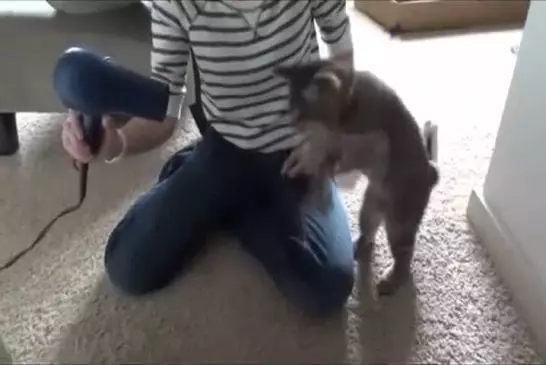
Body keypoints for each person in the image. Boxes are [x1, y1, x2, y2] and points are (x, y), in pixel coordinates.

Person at [61, 0, 355, 317]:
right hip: (226, 149)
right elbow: (164, 111)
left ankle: (232, 205)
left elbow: (340, 48)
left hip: (301, 145)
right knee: (128, 267)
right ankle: (218, 187)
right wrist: (115, 143)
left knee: (326, 287)